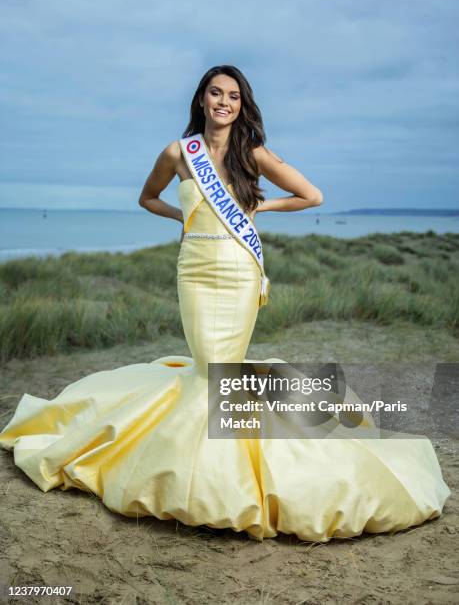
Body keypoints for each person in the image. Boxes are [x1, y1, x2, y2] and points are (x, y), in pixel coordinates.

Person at [0, 65, 450, 542]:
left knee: (223, 370)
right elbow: (146, 198)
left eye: (233, 96)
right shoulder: (179, 152)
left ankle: (227, 482)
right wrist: (188, 216)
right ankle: (203, 475)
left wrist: (261, 208)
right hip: (194, 272)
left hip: (238, 272)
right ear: (201, 99)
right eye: (216, 93)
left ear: (241, 104)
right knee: (206, 368)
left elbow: (312, 195)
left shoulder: (251, 153)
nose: (224, 102)